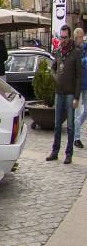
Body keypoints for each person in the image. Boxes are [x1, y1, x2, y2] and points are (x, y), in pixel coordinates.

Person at [47, 24, 81, 164]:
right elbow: (52, 68)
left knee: (71, 126)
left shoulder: (75, 52)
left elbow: (79, 76)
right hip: (59, 92)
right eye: (61, 37)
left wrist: (77, 97)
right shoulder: (59, 51)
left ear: (70, 36)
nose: (63, 40)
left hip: (70, 94)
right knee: (57, 125)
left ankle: (68, 154)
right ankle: (55, 152)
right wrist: (56, 77)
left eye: (65, 37)